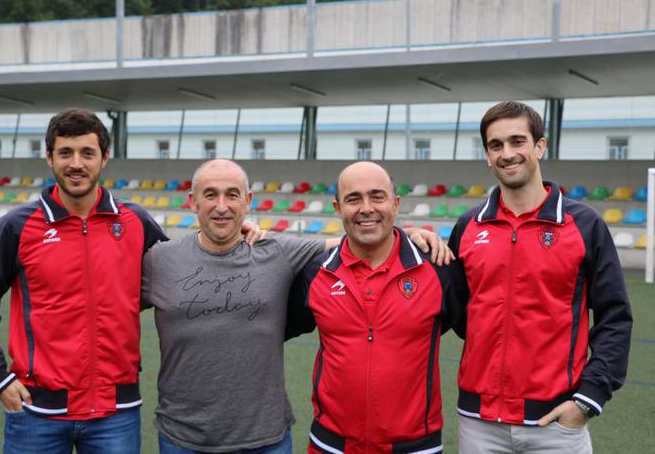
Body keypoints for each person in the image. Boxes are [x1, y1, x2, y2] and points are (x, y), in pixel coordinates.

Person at [141, 159, 451, 454]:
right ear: (192, 201)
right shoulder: (159, 259)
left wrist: (409, 235)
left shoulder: (280, 252)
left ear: (247, 201)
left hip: (265, 439)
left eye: (232, 195)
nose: (222, 206)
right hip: (182, 438)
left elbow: (355, 238)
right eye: (211, 195)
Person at [0, 108, 168, 454]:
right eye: (65, 153)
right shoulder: (18, 226)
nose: (76, 163)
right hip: (36, 411)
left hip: (115, 412)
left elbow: (187, 265)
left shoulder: (135, 221)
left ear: (104, 158)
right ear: (49, 158)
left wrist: (236, 233)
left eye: (87, 153)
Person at [447, 101, 633, 453]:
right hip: (478, 421)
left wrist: (588, 398)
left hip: (556, 421)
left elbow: (615, 317)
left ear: (539, 146)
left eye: (518, 141)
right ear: (487, 155)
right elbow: (455, 313)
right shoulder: (468, 226)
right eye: (496, 145)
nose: (507, 154)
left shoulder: (585, 225)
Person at [286, 161, 458, 454]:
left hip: (415, 447)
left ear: (395, 204)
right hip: (331, 445)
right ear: (338, 208)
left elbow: (487, 331)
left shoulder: (438, 269)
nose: (366, 208)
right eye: (353, 199)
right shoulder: (315, 273)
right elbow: (271, 327)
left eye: (377, 197)